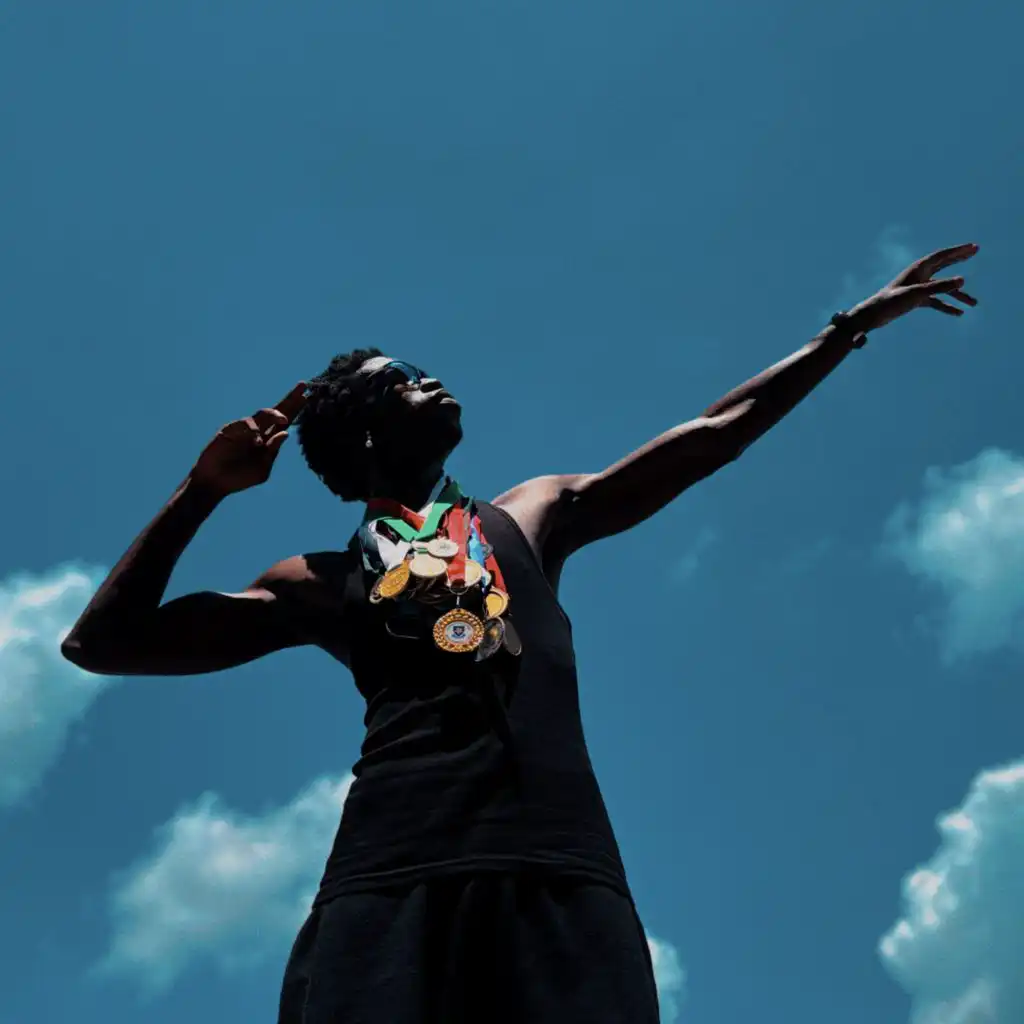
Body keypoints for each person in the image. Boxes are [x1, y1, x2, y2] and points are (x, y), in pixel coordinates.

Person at [62, 242, 979, 1022]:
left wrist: (847, 329)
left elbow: (713, 433)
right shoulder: (318, 582)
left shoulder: (528, 517)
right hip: (390, 887)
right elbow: (101, 644)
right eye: (399, 383)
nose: (427, 378)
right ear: (369, 438)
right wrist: (202, 492)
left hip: (560, 873)